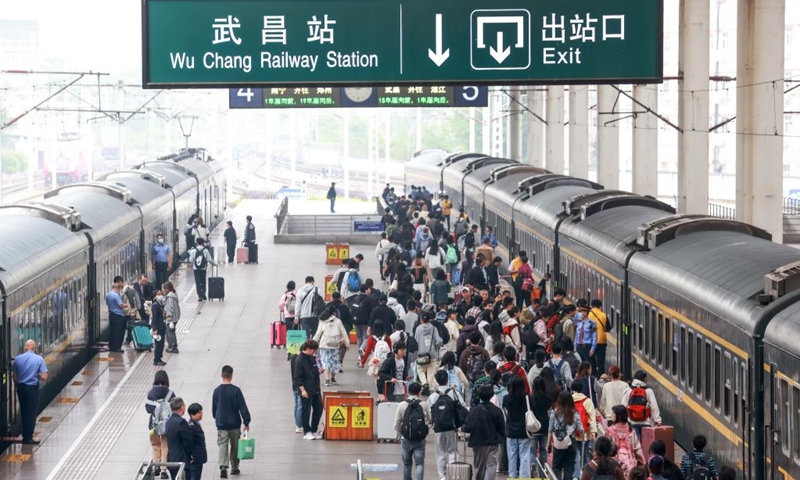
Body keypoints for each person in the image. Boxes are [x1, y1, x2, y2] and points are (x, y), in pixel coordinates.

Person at [212, 365, 251, 477]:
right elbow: (243, 407)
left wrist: (217, 417)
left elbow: (214, 408)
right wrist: (246, 422)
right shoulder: (236, 390)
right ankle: (234, 467)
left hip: (222, 423)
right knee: (235, 446)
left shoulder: (217, 391)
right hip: (234, 423)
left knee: (223, 445)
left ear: (221, 375)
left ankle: (223, 467)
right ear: (231, 376)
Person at [429, 370, 467, 479]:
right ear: (447, 379)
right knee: (453, 451)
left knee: (440, 453)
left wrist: (431, 424)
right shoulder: (454, 392)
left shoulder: (433, 397)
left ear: (436, 380)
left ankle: (442, 476)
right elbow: (462, 406)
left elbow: (429, 412)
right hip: (452, 427)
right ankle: (452, 474)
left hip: (438, 428)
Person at [463, 385, 506, 480]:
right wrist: (499, 438)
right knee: (491, 465)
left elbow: (468, 427)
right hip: (493, 441)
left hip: (478, 442)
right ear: (491, 395)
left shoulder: (474, 410)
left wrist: (462, 428)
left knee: (479, 466)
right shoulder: (497, 410)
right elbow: (502, 428)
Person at [12, 340, 47, 444]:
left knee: (24, 410)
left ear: (25, 348)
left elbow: (14, 375)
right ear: (34, 348)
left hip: (21, 388)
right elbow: (44, 377)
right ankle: (28, 437)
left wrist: (17, 384)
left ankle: (25, 433)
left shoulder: (18, 359)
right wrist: (38, 375)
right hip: (32, 388)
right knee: (31, 412)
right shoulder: (39, 359)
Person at [394, 382, 431, 480]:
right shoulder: (424, 405)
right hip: (420, 439)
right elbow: (430, 421)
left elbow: (396, 424)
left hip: (406, 439)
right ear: (419, 392)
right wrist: (425, 431)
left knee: (407, 464)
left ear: (408, 392)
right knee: (419, 464)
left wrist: (401, 434)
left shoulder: (401, 405)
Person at [547, 391, 584, 480]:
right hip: (571, 441)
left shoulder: (554, 413)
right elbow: (581, 429)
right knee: (569, 468)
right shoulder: (574, 413)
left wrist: (548, 443)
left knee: (556, 467)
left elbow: (550, 429)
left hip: (558, 442)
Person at [145, 370, 174, 478]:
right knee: (165, 446)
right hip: (166, 425)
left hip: (153, 426)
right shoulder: (170, 393)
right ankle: (163, 470)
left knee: (155, 445)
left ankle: (156, 465)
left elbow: (148, 409)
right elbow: (174, 408)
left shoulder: (151, 393)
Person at [504, 376, 533, 480]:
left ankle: (512, 476)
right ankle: (524, 477)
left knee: (511, 455)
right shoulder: (527, 398)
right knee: (524, 456)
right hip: (524, 431)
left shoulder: (506, 398)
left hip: (511, 431)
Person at [604, 405, 646, 478]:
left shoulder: (609, 431)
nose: (611, 415)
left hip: (613, 467)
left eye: (613, 413)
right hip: (630, 467)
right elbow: (638, 451)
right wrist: (643, 466)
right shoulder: (631, 431)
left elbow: (604, 450)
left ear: (619, 416)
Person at [294, 340, 324, 440]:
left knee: (318, 409)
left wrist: (319, 371)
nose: (314, 352)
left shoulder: (312, 358)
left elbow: (313, 371)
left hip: (315, 389)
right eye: (313, 350)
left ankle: (314, 429)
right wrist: (303, 390)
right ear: (308, 349)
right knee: (306, 410)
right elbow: (298, 377)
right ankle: (307, 431)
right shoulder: (299, 360)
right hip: (306, 390)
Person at [313, 306, 349, 386]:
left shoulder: (322, 321)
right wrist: (347, 344)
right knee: (334, 362)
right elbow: (344, 333)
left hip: (324, 345)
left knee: (325, 362)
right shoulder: (338, 321)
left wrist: (313, 344)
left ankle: (327, 380)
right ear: (334, 313)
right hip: (335, 345)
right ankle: (333, 378)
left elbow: (318, 334)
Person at [621, 370, 661, 439]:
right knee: (645, 445)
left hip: (631, 422)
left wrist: (623, 421)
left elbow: (623, 407)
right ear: (645, 379)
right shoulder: (648, 391)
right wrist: (658, 420)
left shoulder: (628, 390)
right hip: (646, 422)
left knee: (635, 444)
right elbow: (654, 407)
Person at [571, 381, 598, 480]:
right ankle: (586, 475)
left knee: (575, 454)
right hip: (585, 433)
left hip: (572, 433)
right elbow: (591, 418)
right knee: (585, 453)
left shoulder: (569, 400)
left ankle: (575, 475)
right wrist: (593, 432)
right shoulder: (587, 401)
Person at [165, 397, 194, 480]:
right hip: (182, 459)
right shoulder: (181, 422)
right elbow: (187, 441)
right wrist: (191, 455)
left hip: (171, 459)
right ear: (181, 406)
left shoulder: (168, 422)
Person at [414, 310, 442, 392]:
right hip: (432, 355)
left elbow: (416, 341)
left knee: (420, 370)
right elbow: (439, 341)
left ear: (421, 319)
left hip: (421, 355)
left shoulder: (418, 329)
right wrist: (436, 347)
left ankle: (424, 383)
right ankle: (429, 390)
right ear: (430, 319)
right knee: (431, 374)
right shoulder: (434, 328)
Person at [530, 376, 551, 469]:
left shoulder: (531, 398)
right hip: (545, 426)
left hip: (534, 427)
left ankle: (533, 467)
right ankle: (543, 469)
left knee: (532, 451)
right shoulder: (547, 398)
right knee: (543, 450)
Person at [189, 237, 216, 302]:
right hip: (203, 268)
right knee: (203, 281)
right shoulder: (205, 250)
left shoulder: (194, 251)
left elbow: (190, 260)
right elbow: (209, 259)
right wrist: (214, 263)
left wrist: (192, 264)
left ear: (197, 243)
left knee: (197, 282)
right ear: (203, 243)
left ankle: (199, 296)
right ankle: (203, 294)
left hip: (196, 269)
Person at [588, 300, 610, 375]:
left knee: (591, 359)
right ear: (600, 306)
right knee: (601, 361)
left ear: (591, 306)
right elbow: (608, 328)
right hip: (601, 340)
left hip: (590, 341)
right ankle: (600, 376)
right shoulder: (604, 315)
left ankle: (593, 373)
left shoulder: (588, 314)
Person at [187, 403, 207, 480]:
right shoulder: (191, 426)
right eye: (199, 413)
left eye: (201, 412)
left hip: (199, 458)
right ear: (192, 414)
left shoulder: (196, 424)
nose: (201, 414)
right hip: (195, 458)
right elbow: (190, 443)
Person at [106, 276, 126, 352]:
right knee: (118, 332)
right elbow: (120, 305)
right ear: (118, 288)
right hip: (118, 316)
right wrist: (126, 305)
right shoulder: (116, 295)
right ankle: (117, 347)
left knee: (112, 331)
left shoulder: (108, 294)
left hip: (111, 315)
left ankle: (111, 346)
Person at [163, 281, 181, 354]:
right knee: (171, 331)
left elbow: (170, 307)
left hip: (171, 317)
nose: (163, 291)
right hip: (176, 316)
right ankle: (173, 346)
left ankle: (172, 347)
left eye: (164, 289)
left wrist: (169, 316)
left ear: (167, 289)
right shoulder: (174, 294)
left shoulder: (170, 297)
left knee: (170, 332)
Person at [150, 292, 167, 366]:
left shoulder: (160, 304)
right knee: (158, 344)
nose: (161, 295)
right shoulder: (155, 305)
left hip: (162, 326)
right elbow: (155, 318)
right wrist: (155, 329)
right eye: (158, 294)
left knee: (161, 344)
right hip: (158, 327)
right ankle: (156, 359)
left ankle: (159, 357)